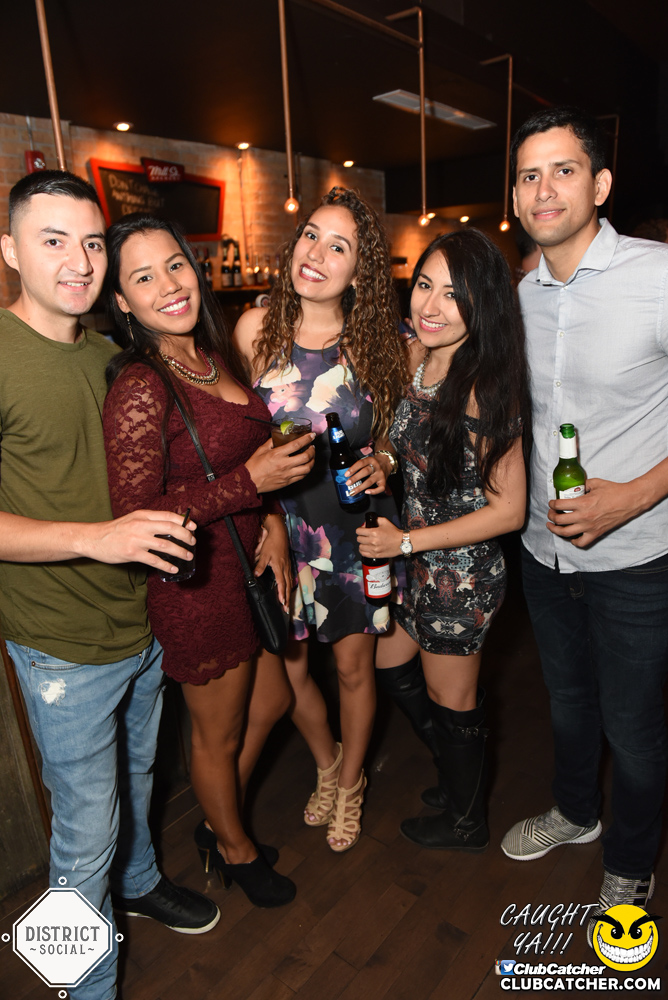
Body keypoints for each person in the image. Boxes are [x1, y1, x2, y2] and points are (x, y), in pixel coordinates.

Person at [0, 172, 219, 1000]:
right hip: (62, 650)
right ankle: (83, 989)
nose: (80, 262)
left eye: (92, 243)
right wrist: (97, 538)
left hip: (140, 625)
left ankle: (139, 883)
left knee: (138, 783)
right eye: (53, 240)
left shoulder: (109, 357)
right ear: (10, 251)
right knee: (81, 843)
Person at [103, 213, 315, 907]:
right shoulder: (141, 385)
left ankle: (219, 822)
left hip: (246, 566)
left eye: (175, 265)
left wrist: (272, 520)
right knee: (216, 738)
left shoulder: (212, 357)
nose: (169, 285)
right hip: (196, 587)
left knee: (275, 698)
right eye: (143, 277)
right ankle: (233, 846)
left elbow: (256, 464)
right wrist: (252, 486)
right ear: (122, 302)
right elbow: (138, 518)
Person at [500, 106, 668, 928]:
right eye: (528, 175)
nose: (543, 189)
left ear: (599, 185)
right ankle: (575, 812)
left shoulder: (657, 276)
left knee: (633, 729)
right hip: (544, 551)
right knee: (567, 702)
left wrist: (633, 494)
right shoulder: (518, 297)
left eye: (562, 170)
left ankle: (630, 864)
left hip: (638, 556)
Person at [234, 186, 408, 852]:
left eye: (340, 246)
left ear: (359, 271)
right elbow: (239, 438)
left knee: (355, 671)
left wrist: (385, 459)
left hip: (353, 533)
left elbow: (394, 437)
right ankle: (327, 763)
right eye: (311, 235)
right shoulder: (254, 331)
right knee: (291, 671)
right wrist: (264, 518)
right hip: (281, 530)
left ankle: (353, 783)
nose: (317, 253)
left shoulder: (378, 345)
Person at [357, 229, 528, 852]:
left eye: (452, 295)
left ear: (482, 304)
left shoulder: (487, 386)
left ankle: (466, 818)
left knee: (448, 696)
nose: (430, 306)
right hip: (414, 563)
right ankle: (460, 770)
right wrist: (383, 461)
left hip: (461, 574)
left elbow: (509, 512)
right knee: (389, 665)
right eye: (424, 285)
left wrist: (406, 543)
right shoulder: (418, 356)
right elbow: (403, 440)